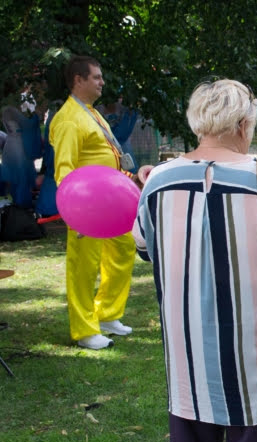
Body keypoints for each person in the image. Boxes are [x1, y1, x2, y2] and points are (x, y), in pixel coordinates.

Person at [132, 79, 257, 442]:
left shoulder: (159, 179)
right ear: (242, 125)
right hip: (253, 357)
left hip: (186, 356)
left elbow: (144, 246)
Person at [49, 55, 138, 350]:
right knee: (83, 267)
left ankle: (108, 314)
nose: (102, 82)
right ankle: (85, 330)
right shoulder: (69, 119)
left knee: (124, 250)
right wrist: (75, 213)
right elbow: (64, 170)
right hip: (86, 208)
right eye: (97, 77)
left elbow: (108, 155)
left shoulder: (90, 112)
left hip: (109, 204)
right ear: (79, 80)